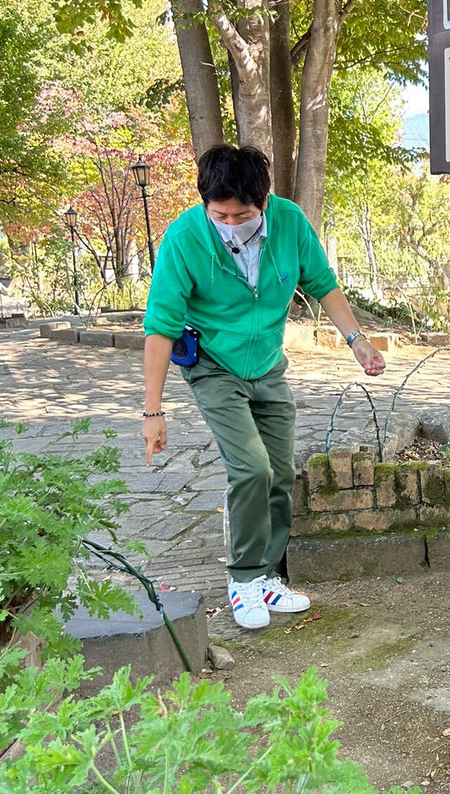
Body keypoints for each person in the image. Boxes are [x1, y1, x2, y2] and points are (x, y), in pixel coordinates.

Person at [141, 144, 385, 629]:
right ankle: (244, 578)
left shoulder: (290, 223)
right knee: (249, 468)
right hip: (213, 365)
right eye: (220, 215)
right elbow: (160, 325)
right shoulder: (185, 238)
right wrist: (153, 412)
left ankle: (267, 577)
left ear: (264, 202)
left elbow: (323, 284)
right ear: (205, 205)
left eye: (243, 214)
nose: (231, 224)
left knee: (278, 472)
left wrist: (357, 341)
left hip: (267, 365)